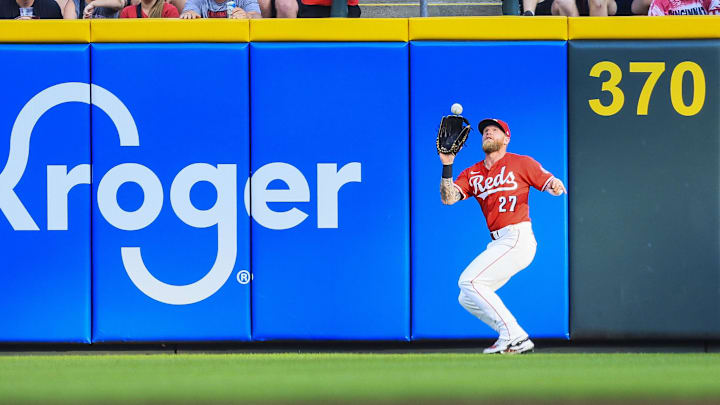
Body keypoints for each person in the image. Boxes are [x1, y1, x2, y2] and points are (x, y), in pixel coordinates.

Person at [439, 118, 566, 355]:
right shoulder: (473, 172)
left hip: (517, 236)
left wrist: (555, 185)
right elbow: (448, 198)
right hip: (498, 242)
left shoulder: (520, 162)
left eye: (494, 130)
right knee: (466, 297)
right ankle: (510, 335)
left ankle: (515, 335)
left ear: (506, 138)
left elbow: (549, 182)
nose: (488, 133)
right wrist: (447, 164)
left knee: (469, 281)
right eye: (485, 131)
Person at [180, 0, 260, 18]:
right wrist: (189, 14)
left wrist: (248, 16)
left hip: (235, 42)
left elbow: (257, 16)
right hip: (207, 42)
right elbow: (190, 10)